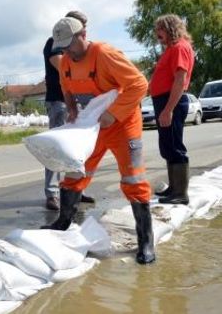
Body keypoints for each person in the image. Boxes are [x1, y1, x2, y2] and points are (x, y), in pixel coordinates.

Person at [42, 16, 155, 265]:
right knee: (74, 171)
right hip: (92, 125)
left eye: (70, 45)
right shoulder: (66, 62)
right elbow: (66, 87)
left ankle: (146, 241)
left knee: (133, 178)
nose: (67, 52)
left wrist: (113, 114)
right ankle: (63, 222)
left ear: (83, 35)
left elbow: (139, 84)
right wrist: (71, 109)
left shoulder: (104, 54)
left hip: (123, 124)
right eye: (62, 48)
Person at [42, 10, 96, 211]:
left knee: (77, 148)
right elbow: (61, 66)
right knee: (57, 148)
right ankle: (52, 193)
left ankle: (76, 189)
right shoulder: (53, 43)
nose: (85, 30)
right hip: (59, 100)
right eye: (82, 25)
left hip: (77, 100)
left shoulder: (81, 47)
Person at [149, 14, 195, 205]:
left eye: (160, 29)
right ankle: (174, 188)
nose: (157, 33)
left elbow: (179, 80)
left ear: (170, 29)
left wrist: (168, 109)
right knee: (168, 146)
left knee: (175, 146)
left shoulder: (179, 48)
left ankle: (181, 194)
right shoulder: (172, 49)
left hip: (171, 102)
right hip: (164, 101)